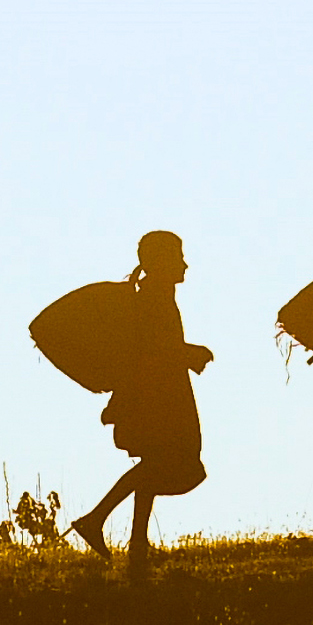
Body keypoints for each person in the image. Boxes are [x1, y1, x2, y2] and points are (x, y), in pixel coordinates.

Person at [68, 231, 212, 565]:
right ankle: (97, 521)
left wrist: (186, 355)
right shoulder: (153, 298)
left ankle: (135, 543)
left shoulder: (156, 294)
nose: (185, 265)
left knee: (156, 465)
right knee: (175, 466)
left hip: (164, 393)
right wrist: (191, 353)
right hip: (158, 397)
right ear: (161, 263)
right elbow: (153, 351)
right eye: (178, 258)